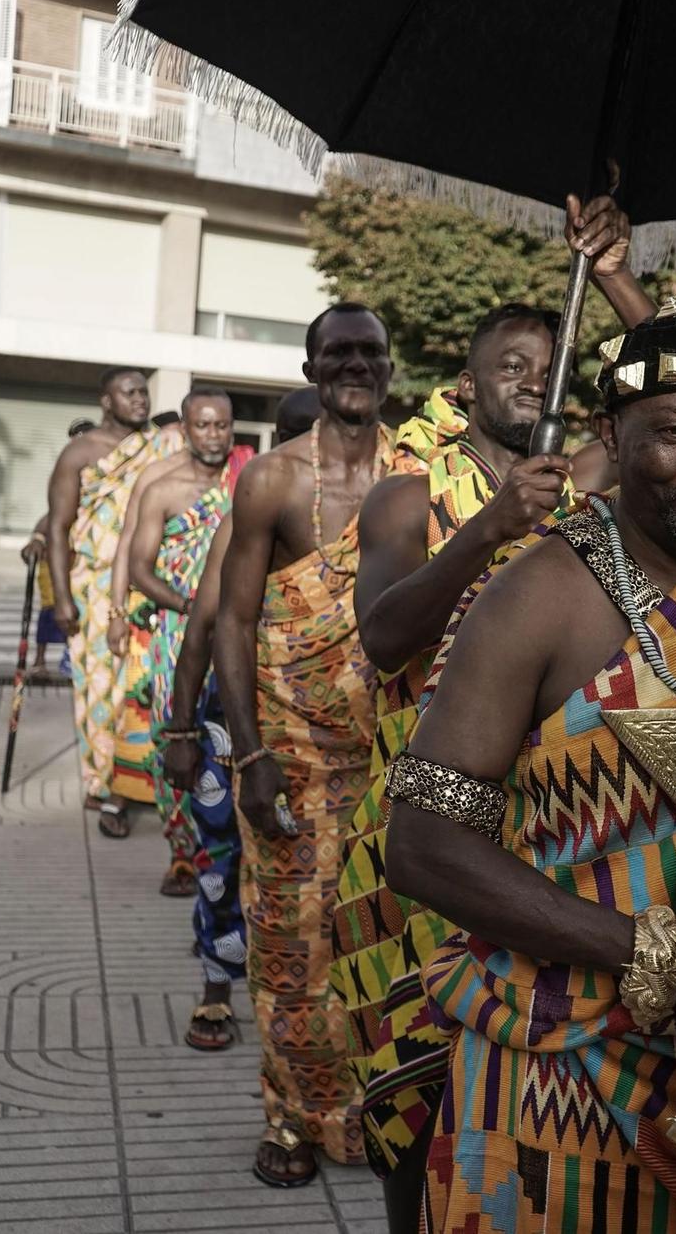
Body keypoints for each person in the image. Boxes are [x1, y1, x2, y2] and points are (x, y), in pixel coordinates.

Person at [382, 302, 676, 1232]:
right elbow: (424, 847)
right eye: (675, 433)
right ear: (609, 432)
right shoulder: (537, 597)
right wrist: (660, 952)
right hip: (557, 1058)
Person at [332, 196, 643, 1231]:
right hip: (417, 844)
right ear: (464, 387)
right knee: (411, 1099)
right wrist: (490, 530)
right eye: (509, 362)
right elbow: (382, 636)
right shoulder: (405, 493)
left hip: (546, 839)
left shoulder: (593, 477)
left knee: (526, 1095)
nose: (532, 376)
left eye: (549, 361)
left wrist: (612, 279)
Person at [212, 305, 419, 1188]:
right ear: (309, 364)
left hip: (398, 755)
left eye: (370, 352)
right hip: (292, 756)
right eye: (339, 351)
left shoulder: (421, 475)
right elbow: (236, 616)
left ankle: (380, 1111)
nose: (356, 366)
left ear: (388, 367)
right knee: (291, 943)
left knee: (387, 939)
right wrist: (249, 757)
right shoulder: (270, 482)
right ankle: (293, 1116)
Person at [163, 387, 321, 1054]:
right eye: (302, 438)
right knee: (223, 853)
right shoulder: (250, 510)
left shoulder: (382, 505)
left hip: (330, 722)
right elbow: (204, 626)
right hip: (237, 718)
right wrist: (180, 730)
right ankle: (217, 988)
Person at [103, 388, 250, 875]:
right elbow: (141, 566)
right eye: (203, 425)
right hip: (178, 630)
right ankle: (183, 850)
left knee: (234, 732)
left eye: (222, 425)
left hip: (240, 627)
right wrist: (188, 607)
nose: (214, 434)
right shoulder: (162, 488)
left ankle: (232, 843)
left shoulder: (249, 481)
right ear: (184, 430)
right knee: (177, 732)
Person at [43, 368, 182, 822]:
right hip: (94, 584)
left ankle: (142, 777)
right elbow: (59, 528)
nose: (141, 400)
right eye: (130, 392)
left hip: (149, 582)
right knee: (99, 688)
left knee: (142, 685)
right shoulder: (78, 453)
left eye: (144, 392)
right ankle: (102, 782)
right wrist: (62, 597)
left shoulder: (162, 445)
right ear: (107, 401)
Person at [21, 421, 98, 679]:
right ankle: (41, 660)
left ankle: (77, 659)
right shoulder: (69, 468)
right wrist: (37, 538)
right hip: (65, 558)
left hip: (97, 562)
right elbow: (54, 515)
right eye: (75, 439)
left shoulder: (110, 467)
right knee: (53, 609)